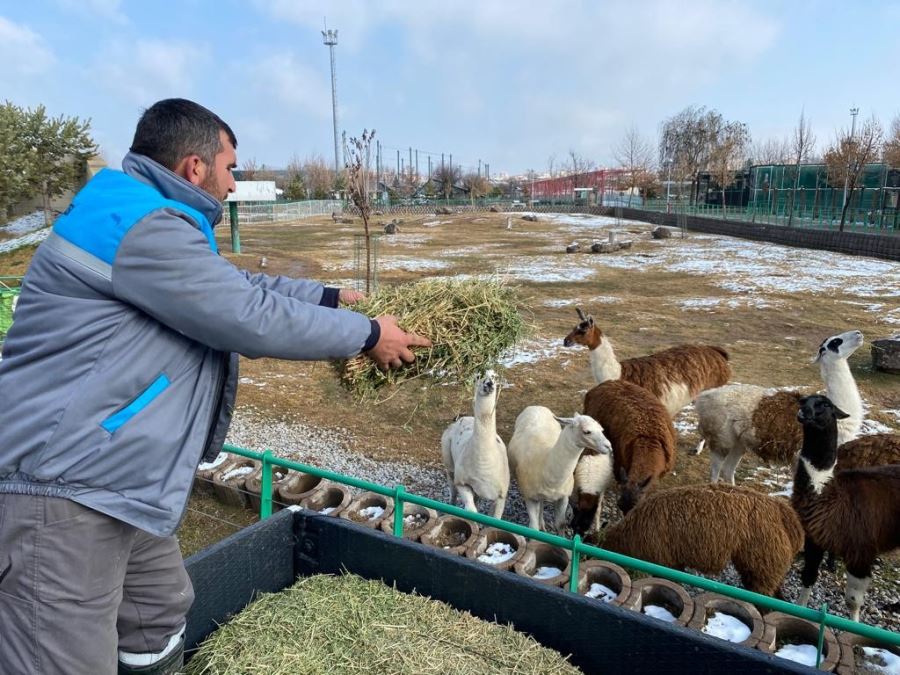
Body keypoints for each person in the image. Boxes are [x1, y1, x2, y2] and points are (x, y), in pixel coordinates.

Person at [0, 98, 430, 675]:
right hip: (62, 488)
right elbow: (244, 313)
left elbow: (232, 285)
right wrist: (367, 334)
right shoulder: (141, 225)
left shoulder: (145, 216)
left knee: (156, 610)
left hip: (114, 480)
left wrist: (329, 298)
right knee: (62, 655)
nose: (234, 183)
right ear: (194, 168)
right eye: (231, 168)